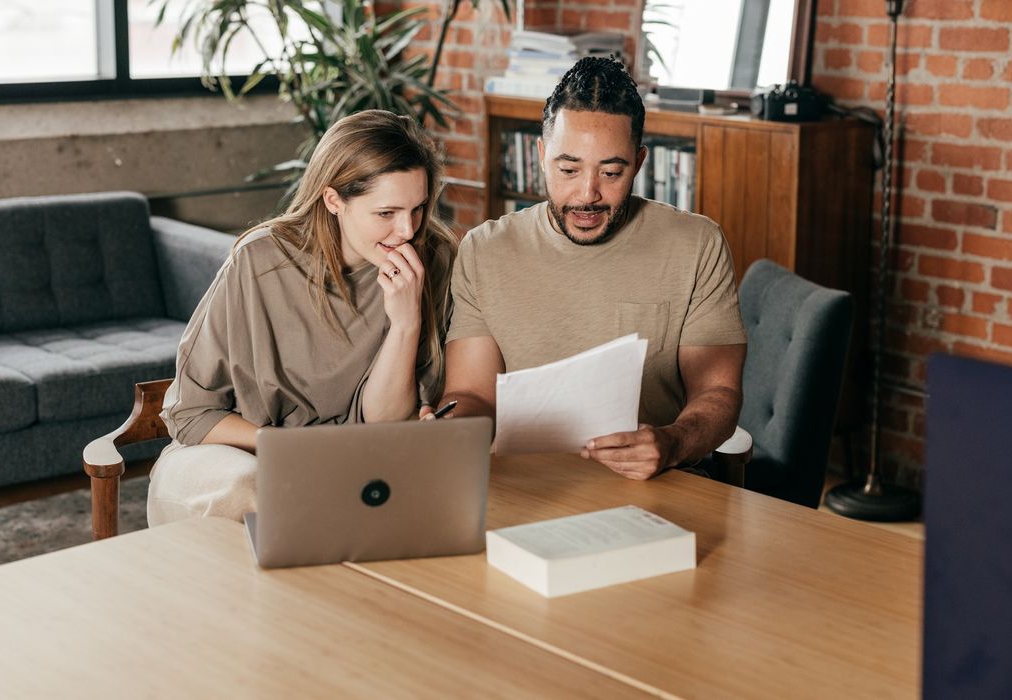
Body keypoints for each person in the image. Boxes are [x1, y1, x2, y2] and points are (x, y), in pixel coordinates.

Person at [426, 57, 747, 481]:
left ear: (639, 162)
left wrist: (673, 442)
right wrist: (452, 428)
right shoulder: (484, 250)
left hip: (656, 482)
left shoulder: (696, 245)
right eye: (569, 169)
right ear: (541, 156)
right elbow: (471, 395)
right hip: (527, 484)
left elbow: (718, 392)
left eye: (612, 171)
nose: (588, 194)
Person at [149, 110, 457, 525]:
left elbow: (386, 424)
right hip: (233, 461)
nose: (406, 229)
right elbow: (191, 415)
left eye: (418, 208)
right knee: (260, 492)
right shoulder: (259, 261)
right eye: (386, 213)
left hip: (353, 464)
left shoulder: (432, 257)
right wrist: (296, 449)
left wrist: (405, 323)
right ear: (334, 201)